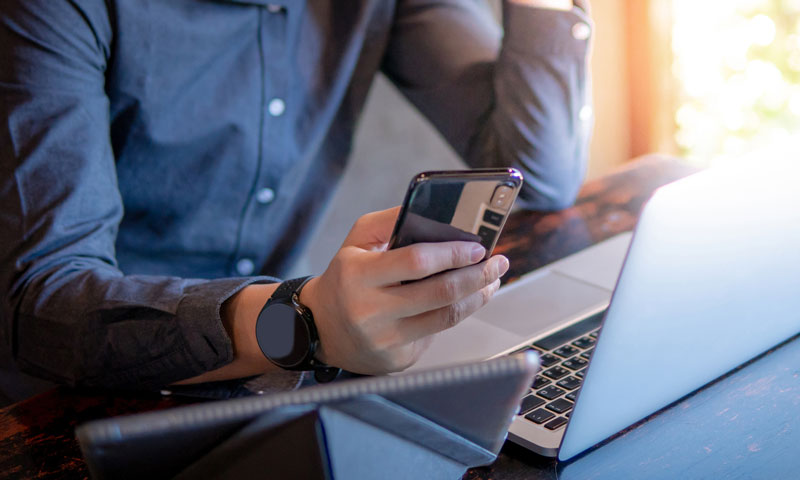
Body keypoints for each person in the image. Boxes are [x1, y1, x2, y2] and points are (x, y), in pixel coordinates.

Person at [0, 0, 592, 405]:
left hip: (264, 383)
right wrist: (304, 321)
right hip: (64, 403)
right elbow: (43, 305)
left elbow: (537, 172)